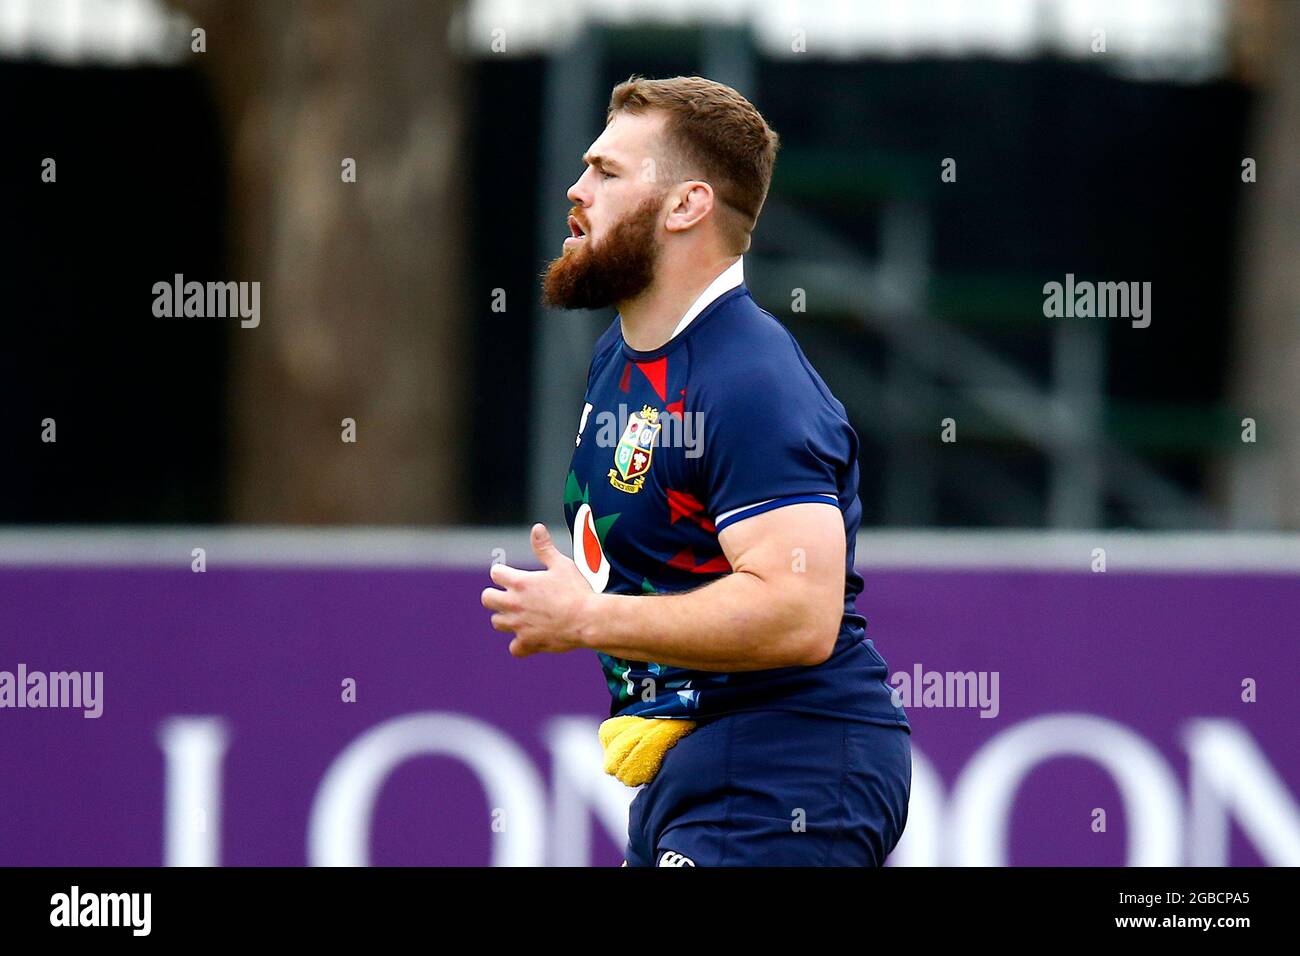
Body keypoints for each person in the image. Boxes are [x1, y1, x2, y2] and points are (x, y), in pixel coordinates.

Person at [481, 75, 910, 866]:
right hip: (698, 775)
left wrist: (588, 620)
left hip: (791, 769)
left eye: (608, 172)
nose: (575, 191)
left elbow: (799, 613)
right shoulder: (622, 355)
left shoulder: (750, 380)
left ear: (686, 206)